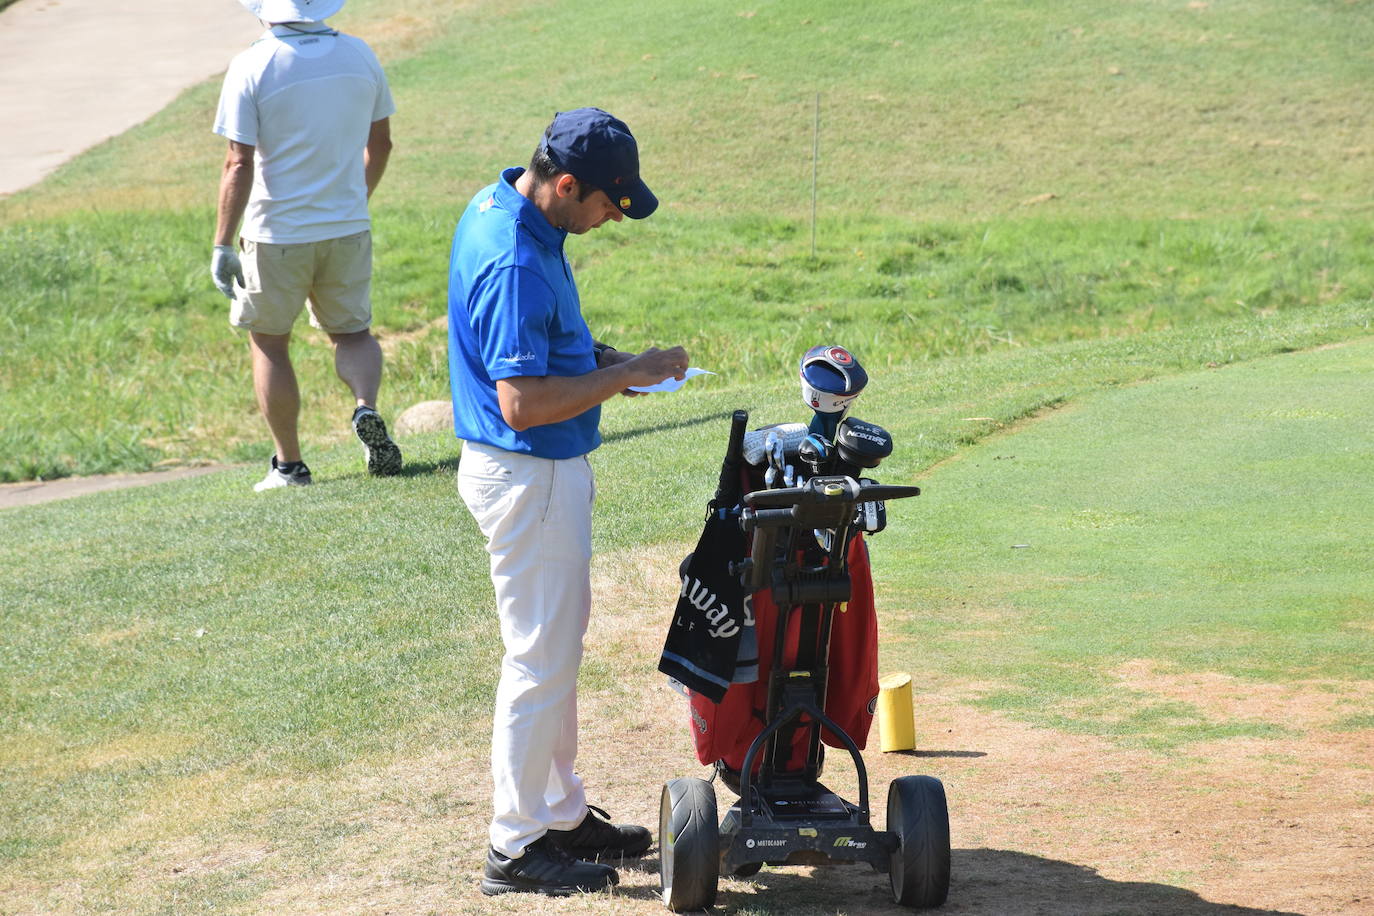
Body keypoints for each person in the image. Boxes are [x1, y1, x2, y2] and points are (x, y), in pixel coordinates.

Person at [447, 107, 688, 896]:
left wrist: (607, 360)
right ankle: (516, 847)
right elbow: (520, 402)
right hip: (529, 475)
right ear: (565, 183)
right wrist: (623, 375)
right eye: (609, 204)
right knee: (539, 661)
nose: (613, 218)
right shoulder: (516, 256)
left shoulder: (506, 209)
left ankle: (557, 811)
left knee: (554, 652)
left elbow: (540, 352)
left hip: (536, 474)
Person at [211, 0, 402, 492]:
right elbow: (380, 145)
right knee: (353, 333)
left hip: (276, 232)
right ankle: (366, 408)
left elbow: (238, 163)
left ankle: (290, 466)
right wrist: (356, 200)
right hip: (347, 226)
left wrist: (221, 244)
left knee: (270, 341)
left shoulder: (252, 64)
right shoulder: (360, 54)